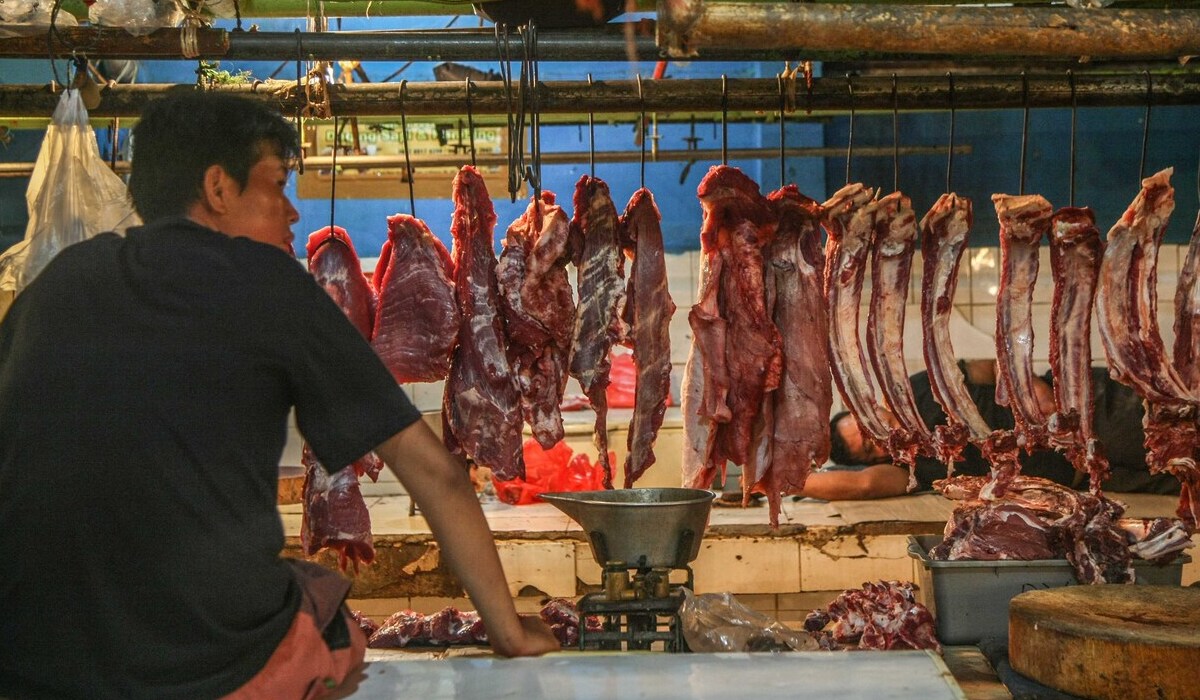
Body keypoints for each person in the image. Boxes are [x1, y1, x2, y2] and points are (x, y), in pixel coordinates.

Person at [0, 93, 558, 700]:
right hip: (210, 667)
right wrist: (509, 632)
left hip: (32, 661)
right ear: (218, 187)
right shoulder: (268, 283)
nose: (292, 212)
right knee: (334, 615)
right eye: (276, 185)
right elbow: (435, 473)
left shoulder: (60, 281)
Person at [802, 359, 1182, 501]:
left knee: (1184, 430)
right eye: (871, 450)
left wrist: (1033, 387)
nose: (881, 441)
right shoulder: (910, 470)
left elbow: (990, 367)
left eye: (869, 429)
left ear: (871, 410)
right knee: (1186, 479)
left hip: (1089, 414)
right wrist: (783, 480)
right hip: (1096, 475)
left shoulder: (918, 391)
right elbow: (863, 486)